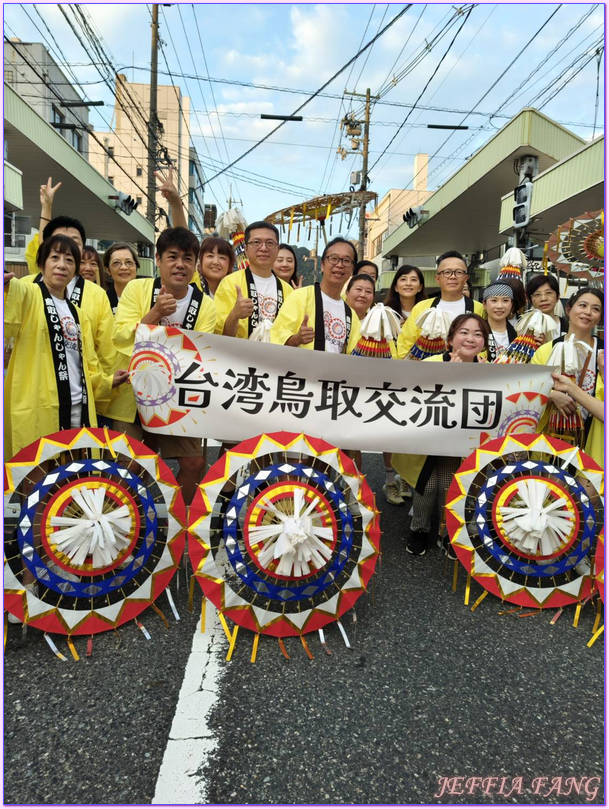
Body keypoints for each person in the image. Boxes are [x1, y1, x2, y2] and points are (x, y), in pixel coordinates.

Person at [112, 227, 217, 503]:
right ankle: (127, 522)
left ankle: (175, 520)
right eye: (172, 257)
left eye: (187, 258)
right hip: (132, 393)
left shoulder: (205, 305)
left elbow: (202, 354)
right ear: (157, 260)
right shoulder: (137, 289)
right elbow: (120, 336)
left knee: (194, 464)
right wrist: (156, 313)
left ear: (195, 266)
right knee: (130, 465)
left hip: (179, 400)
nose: (180, 265)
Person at [4, 235, 127, 458]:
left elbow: (87, 365)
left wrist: (108, 381)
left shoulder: (78, 314)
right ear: (41, 264)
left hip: (77, 406)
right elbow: (8, 314)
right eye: (55, 258)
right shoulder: (27, 293)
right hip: (37, 406)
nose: (62, 265)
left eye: (69, 260)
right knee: (37, 475)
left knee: (72, 479)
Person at [393, 314, 490, 557]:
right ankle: (419, 529)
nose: (470, 338)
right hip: (427, 441)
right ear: (450, 339)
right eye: (464, 332)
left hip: (460, 444)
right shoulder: (433, 362)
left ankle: (448, 533)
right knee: (426, 484)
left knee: (450, 484)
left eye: (478, 334)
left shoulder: (491, 372)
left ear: (485, 343)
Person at [532, 287, 603, 466]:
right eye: (583, 305)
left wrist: (573, 390)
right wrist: (551, 395)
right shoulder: (545, 351)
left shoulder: (603, 354)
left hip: (595, 449)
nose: (588, 312)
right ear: (568, 309)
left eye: (596, 309)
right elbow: (527, 391)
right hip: (550, 447)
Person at [270, 236, 361, 353]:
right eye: (334, 258)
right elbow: (276, 337)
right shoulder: (300, 296)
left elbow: (355, 355)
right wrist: (296, 339)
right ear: (322, 265)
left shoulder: (351, 315)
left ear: (352, 270)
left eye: (346, 260)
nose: (339, 265)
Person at [396, 250, 484, 359]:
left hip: (466, 371)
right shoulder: (422, 308)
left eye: (459, 272)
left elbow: (485, 346)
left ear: (466, 278)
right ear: (437, 278)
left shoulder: (479, 308)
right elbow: (405, 343)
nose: (452, 277)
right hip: (426, 371)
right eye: (447, 272)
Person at [214, 221, 292, 338]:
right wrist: (234, 315)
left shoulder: (288, 291)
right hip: (238, 355)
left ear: (277, 249)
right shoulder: (230, 283)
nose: (263, 248)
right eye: (256, 242)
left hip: (276, 356)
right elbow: (218, 337)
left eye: (270, 243)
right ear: (246, 249)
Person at [482, 282, 517, 362]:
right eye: (494, 300)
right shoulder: (477, 332)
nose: (499, 306)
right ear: (484, 304)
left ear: (511, 304)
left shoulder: (518, 333)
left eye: (505, 300)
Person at [103, 242, 140, 314]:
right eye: (116, 263)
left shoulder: (148, 297)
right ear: (108, 270)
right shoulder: (102, 301)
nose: (124, 267)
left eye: (129, 262)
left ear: (136, 267)